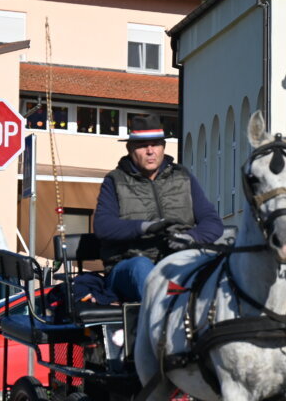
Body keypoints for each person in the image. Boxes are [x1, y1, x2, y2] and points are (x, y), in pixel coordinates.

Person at [91, 113, 224, 303]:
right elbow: (103, 226)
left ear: (163, 147)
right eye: (143, 146)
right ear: (130, 149)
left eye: (155, 144)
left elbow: (212, 223)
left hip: (178, 259)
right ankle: (167, 316)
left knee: (220, 266)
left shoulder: (183, 177)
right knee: (141, 266)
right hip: (128, 266)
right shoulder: (115, 180)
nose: (150, 151)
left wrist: (190, 237)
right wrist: (144, 227)